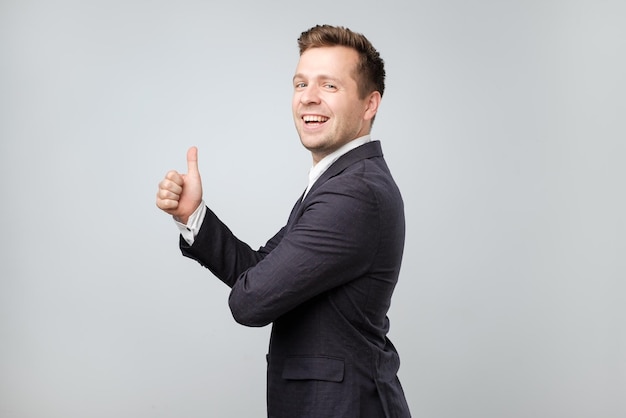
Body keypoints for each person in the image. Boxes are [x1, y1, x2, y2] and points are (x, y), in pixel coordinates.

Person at [156, 24, 411, 418]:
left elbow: (251, 300)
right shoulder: (338, 182)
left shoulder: (353, 193)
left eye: (330, 86)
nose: (308, 98)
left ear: (369, 104)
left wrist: (252, 290)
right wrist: (194, 215)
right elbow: (260, 271)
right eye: (300, 83)